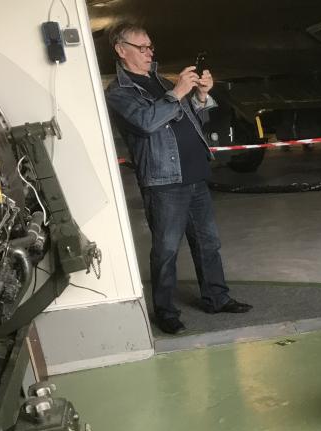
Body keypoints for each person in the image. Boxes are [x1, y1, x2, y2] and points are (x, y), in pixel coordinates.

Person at [106, 22, 251, 335]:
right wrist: (178, 92)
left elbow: (194, 118)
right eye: (141, 47)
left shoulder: (161, 82)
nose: (149, 52)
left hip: (194, 174)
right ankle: (166, 312)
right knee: (166, 250)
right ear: (121, 50)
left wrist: (201, 95)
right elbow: (146, 122)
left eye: (150, 46)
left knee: (208, 243)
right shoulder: (119, 92)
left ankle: (216, 298)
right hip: (164, 182)